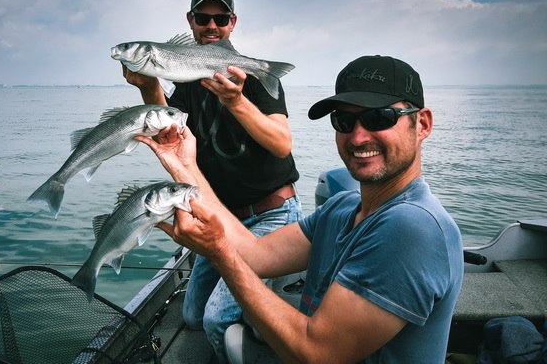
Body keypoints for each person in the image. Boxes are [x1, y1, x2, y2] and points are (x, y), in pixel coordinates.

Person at [137, 55, 464, 363]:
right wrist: (185, 166)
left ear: (422, 124)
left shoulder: (413, 226)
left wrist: (220, 253)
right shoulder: (342, 208)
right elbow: (255, 254)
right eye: (344, 120)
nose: (359, 136)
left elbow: (317, 354)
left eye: (380, 117)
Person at [122, 0, 302, 362]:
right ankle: (260, 307)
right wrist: (148, 85)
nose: (211, 25)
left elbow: (281, 143)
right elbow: (168, 130)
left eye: (220, 18)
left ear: (232, 22)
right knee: (190, 317)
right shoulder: (187, 80)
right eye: (203, 17)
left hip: (272, 214)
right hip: (221, 221)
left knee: (217, 319)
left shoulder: (253, 76)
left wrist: (236, 100)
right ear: (190, 20)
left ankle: (268, 314)